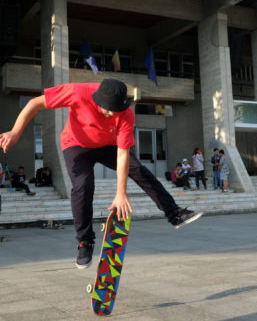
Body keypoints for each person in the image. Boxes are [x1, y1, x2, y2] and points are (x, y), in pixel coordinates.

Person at [0, 79, 202, 269]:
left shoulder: (125, 113)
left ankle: (173, 213)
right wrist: (15, 132)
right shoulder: (77, 92)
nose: (112, 115)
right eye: (108, 111)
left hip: (107, 146)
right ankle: (85, 243)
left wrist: (120, 193)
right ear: (98, 100)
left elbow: (123, 154)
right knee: (83, 186)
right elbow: (35, 103)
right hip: (76, 145)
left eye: (116, 111)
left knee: (138, 168)